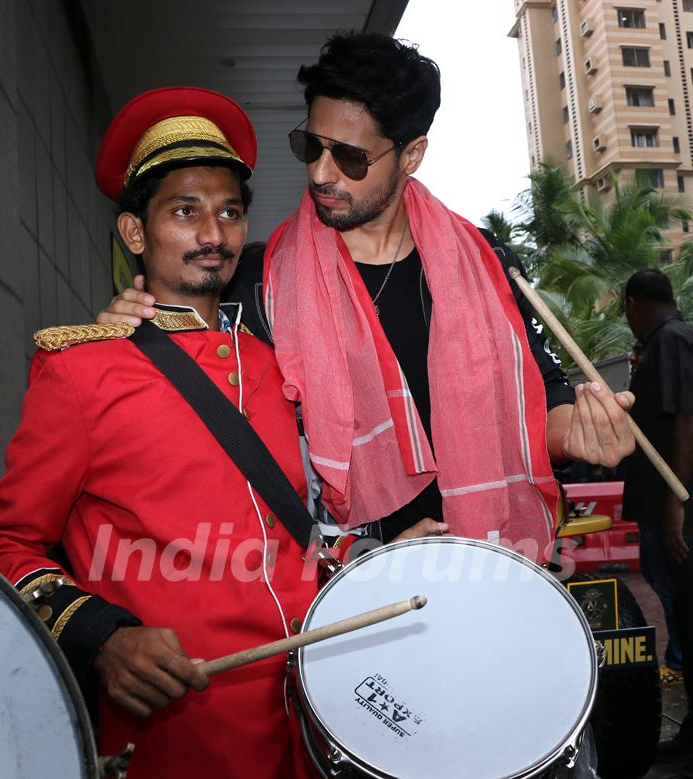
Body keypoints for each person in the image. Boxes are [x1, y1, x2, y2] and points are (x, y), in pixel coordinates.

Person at [101, 34, 634, 565]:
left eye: (350, 158)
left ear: (412, 155)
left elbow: (542, 389)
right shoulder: (257, 283)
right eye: (311, 146)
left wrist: (579, 433)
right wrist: (132, 334)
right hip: (344, 583)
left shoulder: (485, 261)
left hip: (493, 561)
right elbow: (210, 417)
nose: (320, 173)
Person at [0, 88, 318, 779]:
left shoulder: (278, 361)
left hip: (311, 726)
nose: (214, 234)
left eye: (229, 212)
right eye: (185, 211)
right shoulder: (81, 371)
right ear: (136, 233)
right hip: (181, 736)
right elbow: (2, 545)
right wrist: (103, 635)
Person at [623, 269, 693, 761]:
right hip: (663, 504)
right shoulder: (662, 344)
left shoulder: (671, 340)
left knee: (686, 612)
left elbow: (687, 419)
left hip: (675, 508)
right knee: (682, 616)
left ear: (632, 303)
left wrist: (677, 503)